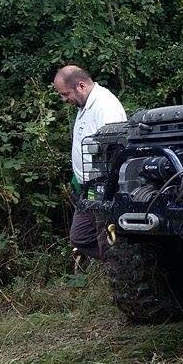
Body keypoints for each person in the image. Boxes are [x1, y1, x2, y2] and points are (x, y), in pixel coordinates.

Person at [53, 65, 127, 264]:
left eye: (65, 94)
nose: (64, 99)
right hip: (86, 188)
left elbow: (116, 151)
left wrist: (107, 190)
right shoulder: (84, 105)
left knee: (106, 243)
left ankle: (121, 269)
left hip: (104, 188)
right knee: (80, 237)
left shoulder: (105, 106)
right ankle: (120, 263)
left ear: (81, 86)